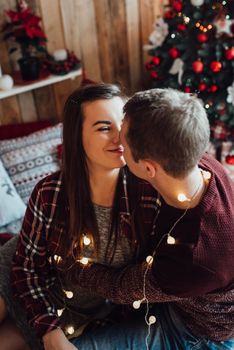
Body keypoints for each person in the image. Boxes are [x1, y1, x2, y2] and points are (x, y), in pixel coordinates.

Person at [68, 88, 234, 350]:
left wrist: (73, 267)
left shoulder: (194, 256)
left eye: (123, 139)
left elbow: (122, 287)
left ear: (148, 168)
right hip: (181, 296)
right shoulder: (195, 161)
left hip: (198, 332)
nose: (116, 142)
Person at [0, 83, 158, 350]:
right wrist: (50, 332)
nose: (120, 136)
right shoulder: (51, 192)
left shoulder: (147, 193)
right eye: (104, 127)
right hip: (32, 281)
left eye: (123, 123)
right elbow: (26, 268)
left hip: (82, 315)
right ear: (77, 136)